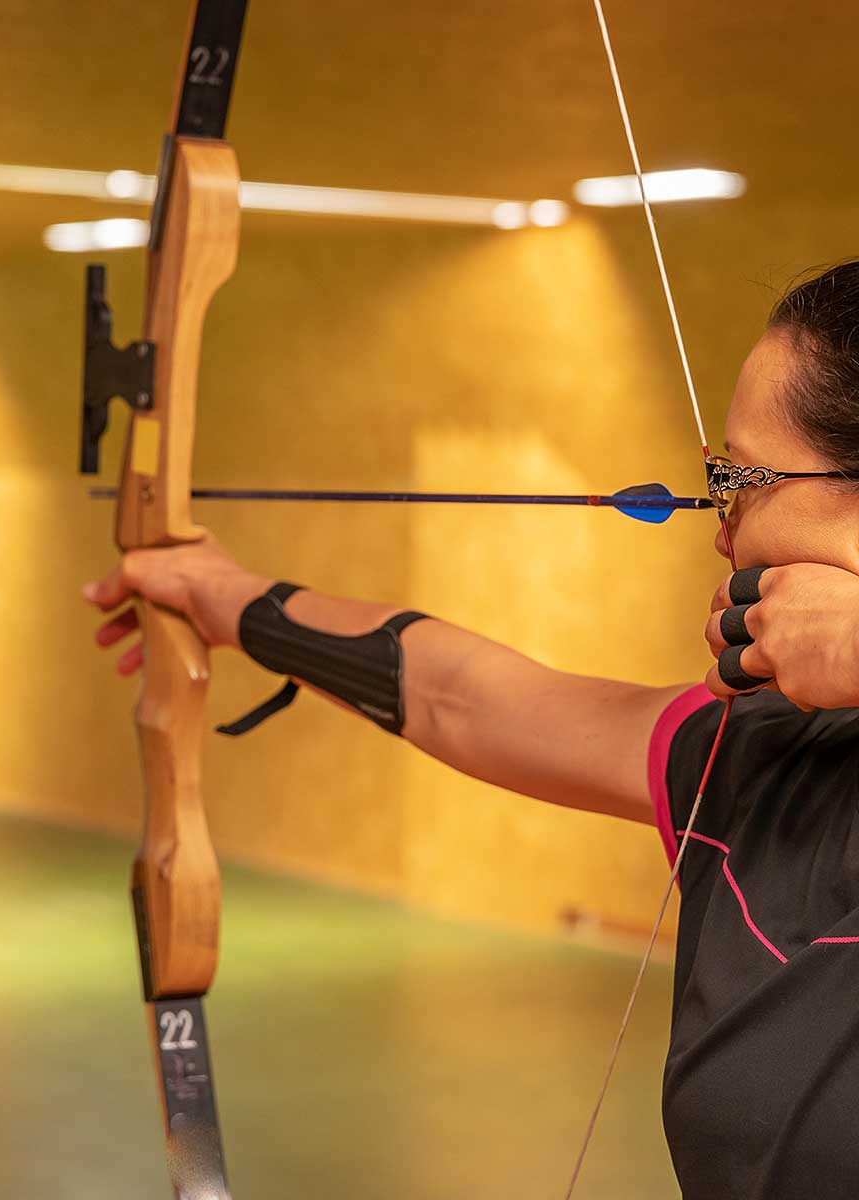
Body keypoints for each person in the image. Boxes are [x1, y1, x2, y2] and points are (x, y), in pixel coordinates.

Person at [84, 261, 859, 1199]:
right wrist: (229, 602)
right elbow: (473, 700)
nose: (722, 534)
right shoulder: (763, 753)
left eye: (742, 479)